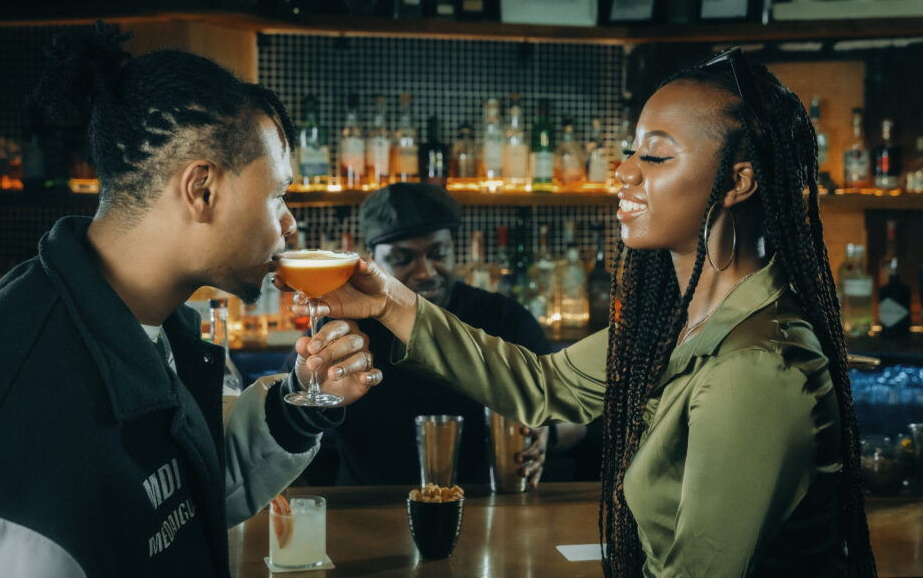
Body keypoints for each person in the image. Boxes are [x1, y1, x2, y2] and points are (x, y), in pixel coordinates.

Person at [287, 48, 877, 577]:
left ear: (738, 181)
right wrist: (388, 299)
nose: (621, 171)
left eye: (655, 156)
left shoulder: (758, 367)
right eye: (629, 151)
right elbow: (541, 383)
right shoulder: (677, 324)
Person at [0, 22, 380, 578]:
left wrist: (298, 405)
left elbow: (175, 497)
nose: (290, 223)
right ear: (201, 189)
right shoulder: (15, 407)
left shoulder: (150, 326)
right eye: (277, 193)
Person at [284, 183, 583, 486]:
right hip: (367, 510)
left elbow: (576, 415)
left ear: (456, 249)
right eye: (403, 258)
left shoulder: (503, 319)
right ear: (370, 260)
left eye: (438, 253)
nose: (426, 271)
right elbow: (289, 422)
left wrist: (547, 431)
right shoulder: (342, 329)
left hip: (482, 508)